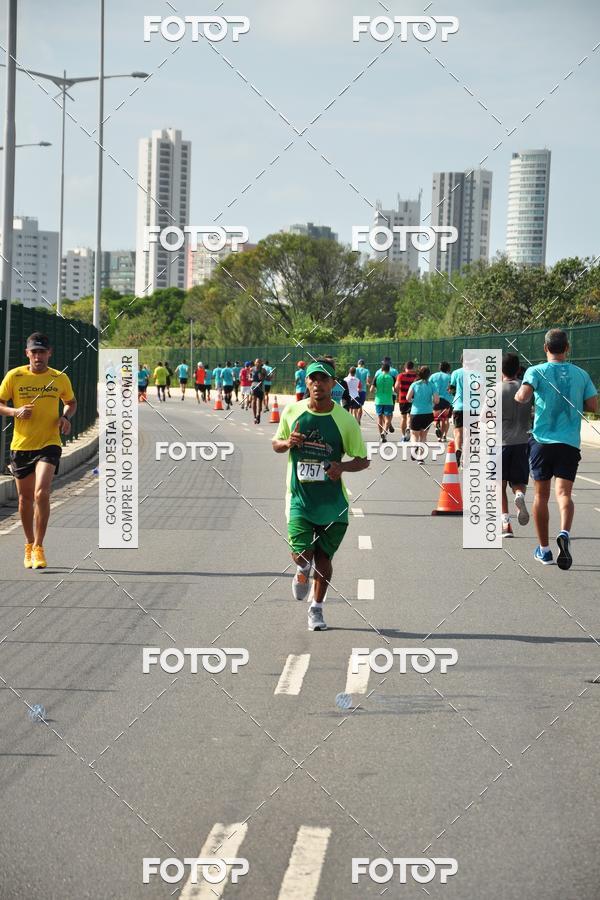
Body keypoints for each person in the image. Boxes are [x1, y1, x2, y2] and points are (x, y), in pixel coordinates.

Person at [272, 359, 369, 631]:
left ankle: (316, 608)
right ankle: (302, 569)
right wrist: (287, 443)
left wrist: (342, 467)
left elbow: (363, 459)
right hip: (300, 499)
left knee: (324, 559)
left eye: (323, 379)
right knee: (303, 554)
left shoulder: (345, 421)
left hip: (332, 503)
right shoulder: (293, 411)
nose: (317, 384)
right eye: (313, 379)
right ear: (307, 383)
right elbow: (276, 444)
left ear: (332, 384)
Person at [515, 329, 597, 568]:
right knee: (565, 494)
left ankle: (545, 550)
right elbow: (592, 405)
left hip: (542, 440)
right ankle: (564, 533)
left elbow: (522, 396)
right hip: (569, 442)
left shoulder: (536, 371)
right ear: (567, 348)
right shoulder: (581, 374)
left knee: (541, 495)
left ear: (545, 348)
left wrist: (523, 397)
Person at [0, 332, 77, 569]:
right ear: (27, 354)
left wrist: (65, 417)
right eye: (34, 352)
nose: (38, 356)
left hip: (49, 443)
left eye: (42, 352)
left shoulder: (59, 378)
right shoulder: (15, 376)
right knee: (24, 499)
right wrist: (15, 412)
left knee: (41, 492)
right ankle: (28, 543)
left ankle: (39, 546)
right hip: (22, 446)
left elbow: (71, 402)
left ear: (49, 353)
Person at [496, 353, 533, 538]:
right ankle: (519, 496)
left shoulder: (496, 390)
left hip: (501, 442)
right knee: (518, 481)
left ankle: (505, 523)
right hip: (522, 441)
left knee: (500, 485)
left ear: (500, 369)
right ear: (519, 369)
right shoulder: (526, 390)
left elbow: (483, 419)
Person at [406, 366, 438, 462]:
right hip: (428, 413)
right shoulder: (432, 385)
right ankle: (421, 457)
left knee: (414, 434)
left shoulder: (414, 384)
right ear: (429, 375)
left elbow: (408, 398)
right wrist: (431, 401)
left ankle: (414, 447)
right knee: (423, 436)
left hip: (416, 412)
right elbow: (436, 400)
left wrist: (414, 400)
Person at [371, 362, 395, 442]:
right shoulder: (392, 377)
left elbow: (371, 390)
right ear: (389, 370)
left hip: (378, 400)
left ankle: (381, 435)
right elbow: (396, 389)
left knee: (379, 418)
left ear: (382, 369)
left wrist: (376, 391)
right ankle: (384, 433)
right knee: (388, 419)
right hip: (388, 400)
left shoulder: (377, 377)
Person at [395, 361, 418, 441]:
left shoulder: (400, 375)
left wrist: (399, 393)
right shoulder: (416, 376)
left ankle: (403, 435)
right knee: (410, 415)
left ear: (405, 367)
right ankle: (408, 427)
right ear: (413, 367)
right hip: (413, 399)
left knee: (403, 417)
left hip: (403, 399)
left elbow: (396, 387)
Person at [429, 361, 452, 442]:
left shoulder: (433, 376)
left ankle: (437, 428)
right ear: (448, 368)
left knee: (436, 418)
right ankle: (442, 436)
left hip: (436, 399)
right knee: (445, 419)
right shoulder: (450, 377)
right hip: (447, 400)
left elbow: (429, 386)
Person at [449, 356, 465, 467]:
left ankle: (458, 449)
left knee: (458, 431)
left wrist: (453, 393)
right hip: (473, 407)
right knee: (470, 433)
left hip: (459, 406)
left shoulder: (456, 373)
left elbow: (451, 388)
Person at [251, 358, 266, 424]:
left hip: (260, 387)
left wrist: (262, 377)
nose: (258, 363)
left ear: (261, 363)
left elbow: (266, 378)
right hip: (254, 386)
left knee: (260, 402)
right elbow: (249, 377)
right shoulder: (252, 369)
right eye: (257, 362)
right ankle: (255, 417)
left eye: (259, 362)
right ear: (255, 363)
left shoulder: (263, 370)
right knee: (254, 401)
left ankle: (258, 415)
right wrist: (250, 378)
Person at [355, 359, 371, 423]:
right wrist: (367, 383)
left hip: (355, 390)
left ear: (358, 364)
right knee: (360, 406)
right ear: (363, 364)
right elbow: (368, 380)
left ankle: (355, 418)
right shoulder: (366, 370)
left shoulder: (355, 369)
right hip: (363, 390)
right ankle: (359, 419)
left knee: (354, 407)